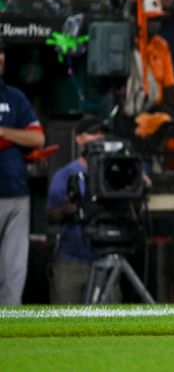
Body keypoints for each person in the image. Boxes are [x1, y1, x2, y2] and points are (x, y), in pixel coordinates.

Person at [46, 116, 120, 304]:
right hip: (72, 259)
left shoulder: (115, 172)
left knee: (109, 324)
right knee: (66, 323)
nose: (99, 138)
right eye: (93, 133)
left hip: (106, 257)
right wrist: (69, 208)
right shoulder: (65, 174)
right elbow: (50, 215)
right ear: (79, 139)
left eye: (102, 134)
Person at [0, 37, 45, 305]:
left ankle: (10, 330)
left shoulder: (14, 97)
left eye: (2, 56)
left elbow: (37, 138)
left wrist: (4, 132)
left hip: (17, 195)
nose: (1, 60)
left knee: (14, 270)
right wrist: (16, 137)